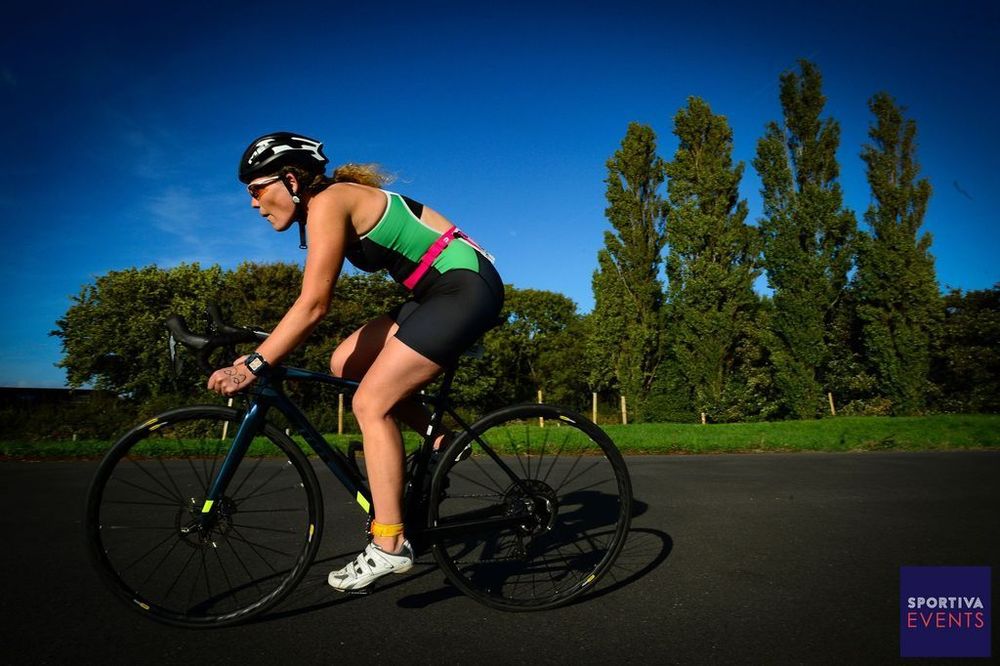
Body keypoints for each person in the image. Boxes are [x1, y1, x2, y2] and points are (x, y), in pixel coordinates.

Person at [207, 132, 504, 591]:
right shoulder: (327, 205)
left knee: (371, 403)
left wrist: (254, 363)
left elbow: (313, 305)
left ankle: (389, 544)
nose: (253, 203)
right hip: (434, 293)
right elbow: (310, 310)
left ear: (289, 179)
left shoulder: (329, 200)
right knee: (345, 362)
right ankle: (442, 438)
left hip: (463, 287)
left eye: (255, 189)